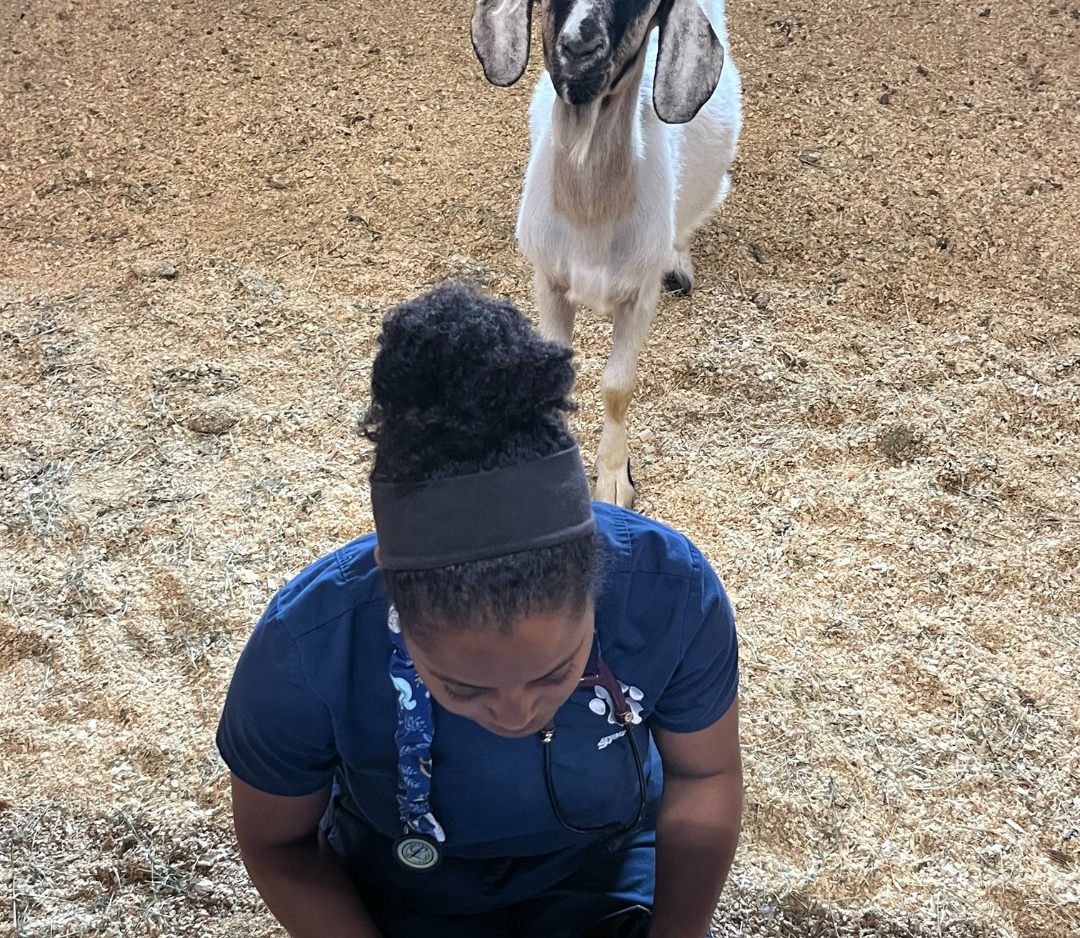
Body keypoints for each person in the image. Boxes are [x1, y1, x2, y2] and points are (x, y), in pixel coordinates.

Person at [216, 284, 742, 938]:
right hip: (399, 880)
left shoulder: (670, 589)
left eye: (556, 674)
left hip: (602, 865)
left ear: (597, 573)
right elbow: (278, 843)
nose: (517, 714)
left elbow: (705, 770)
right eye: (461, 687)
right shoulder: (305, 647)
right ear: (393, 602)